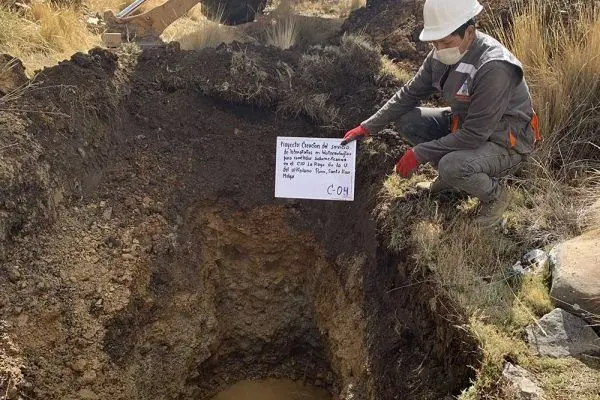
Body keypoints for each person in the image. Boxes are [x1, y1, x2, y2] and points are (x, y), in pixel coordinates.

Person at [341, 0, 541, 227]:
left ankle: (495, 196)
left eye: (446, 41)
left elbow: (474, 135)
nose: (440, 48)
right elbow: (409, 93)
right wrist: (368, 127)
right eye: (435, 42)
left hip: (505, 141)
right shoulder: (439, 55)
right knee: (409, 120)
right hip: (466, 124)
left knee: (451, 165)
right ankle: (452, 180)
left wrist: (420, 153)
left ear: (469, 31)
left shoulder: (494, 67)